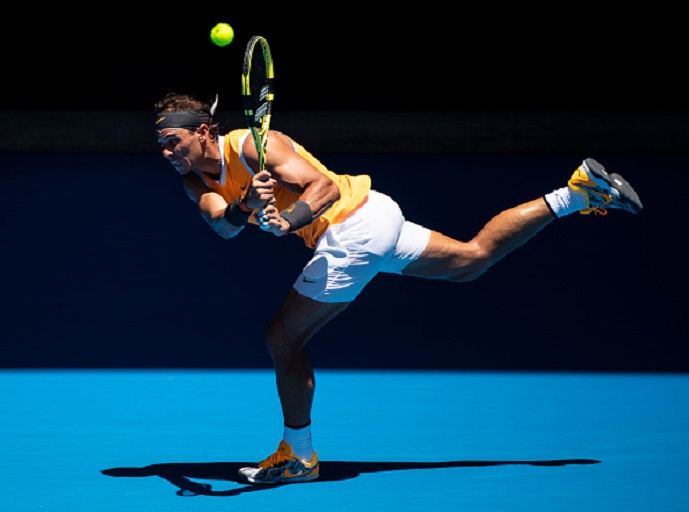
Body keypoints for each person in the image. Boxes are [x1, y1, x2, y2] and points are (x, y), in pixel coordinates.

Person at [154, 92, 643, 485]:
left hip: (352, 227)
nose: (166, 152)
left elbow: (321, 187)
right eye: (161, 144)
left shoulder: (254, 145)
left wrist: (289, 219)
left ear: (202, 131)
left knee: (283, 337)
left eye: (173, 140)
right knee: (471, 261)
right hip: (375, 216)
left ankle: (298, 456)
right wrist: (244, 205)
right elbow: (223, 225)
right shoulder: (194, 180)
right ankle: (577, 192)